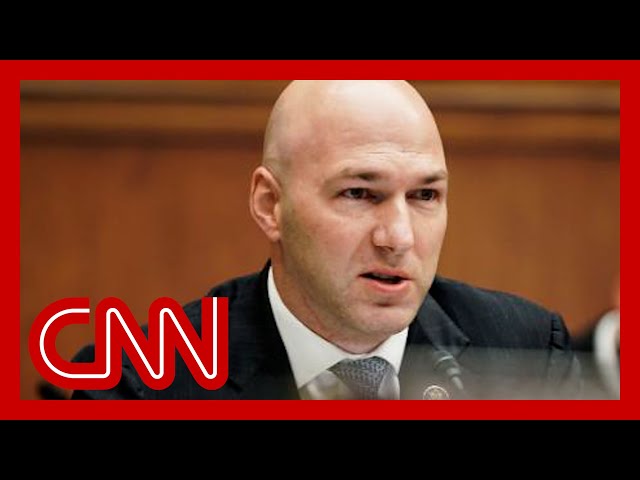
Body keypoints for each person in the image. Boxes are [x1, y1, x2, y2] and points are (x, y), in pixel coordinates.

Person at [70, 80, 581, 400]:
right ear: (270, 205)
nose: (399, 237)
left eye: (425, 195)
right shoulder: (134, 385)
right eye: (359, 193)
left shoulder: (529, 351)